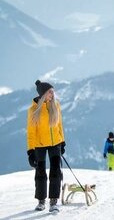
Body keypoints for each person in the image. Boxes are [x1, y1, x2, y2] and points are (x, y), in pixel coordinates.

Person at [26, 80, 66, 212]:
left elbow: (60, 125)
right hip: (39, 146)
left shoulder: (56, 105)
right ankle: (41, 201)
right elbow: (31, 133)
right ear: (43, 94)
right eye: (50, 92)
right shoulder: (33, 110)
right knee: (40, 173)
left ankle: (53, 201)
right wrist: (31, 151)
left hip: (55, 144)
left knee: (56, 172)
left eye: (53, 91)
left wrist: (62, 141)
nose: (52, 94)